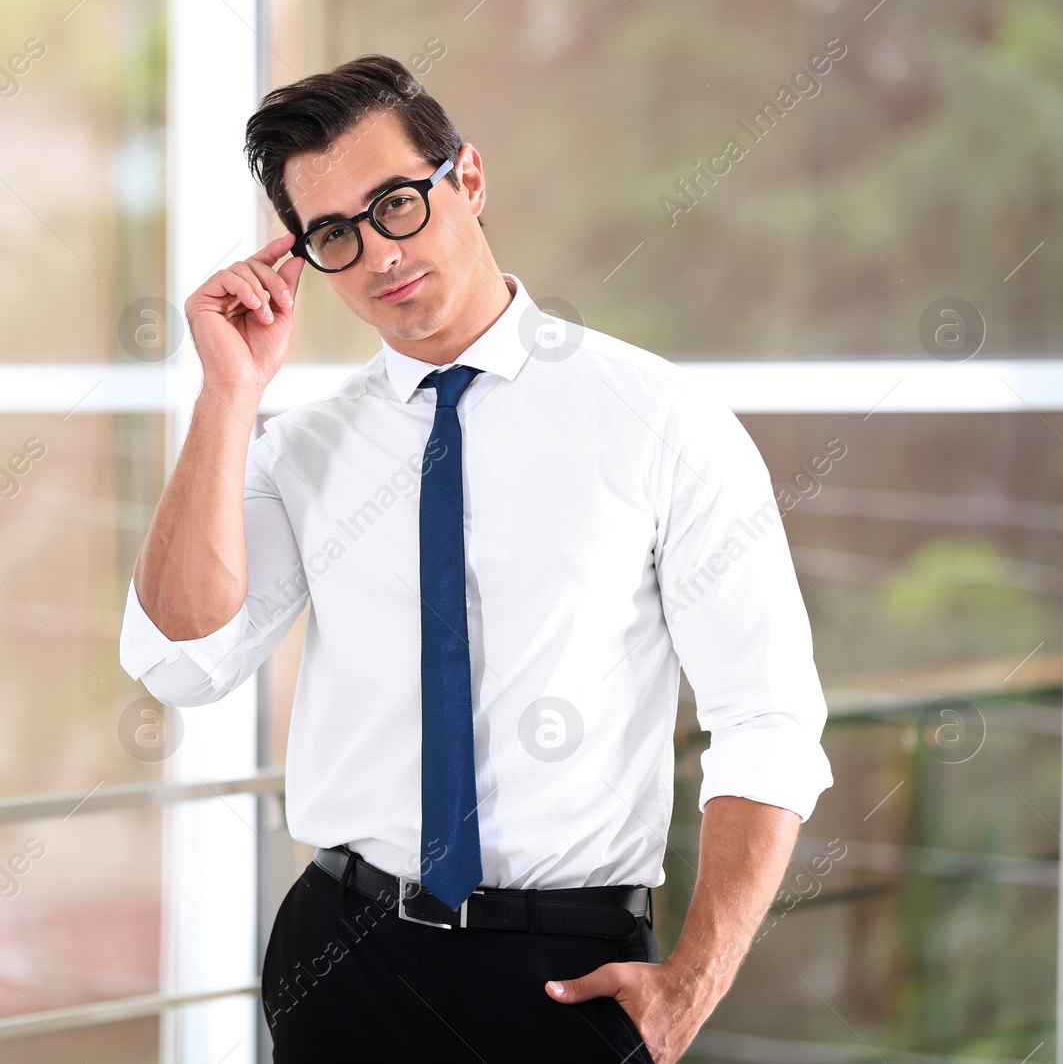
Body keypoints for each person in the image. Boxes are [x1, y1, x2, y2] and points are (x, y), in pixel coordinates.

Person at [119, 52, 833, 1064]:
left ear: (470, 180)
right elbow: (178, 655)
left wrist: (693, 982)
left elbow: (767, 713)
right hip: (342, 954)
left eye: (398, 203)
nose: (378, 254)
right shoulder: (301, 446)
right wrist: (227, 396)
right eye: (334, 233)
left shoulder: (656, 420)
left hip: (563, 973)